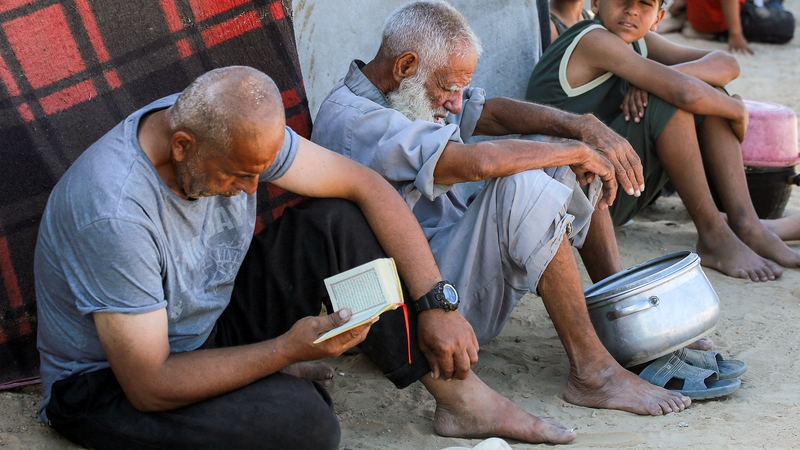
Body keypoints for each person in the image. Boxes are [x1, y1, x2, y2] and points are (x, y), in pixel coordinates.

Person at [33, 66, 575, 448]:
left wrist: (437, 303)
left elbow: (366, 185)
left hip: (206, 327)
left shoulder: (231, 133)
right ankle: (270, 376)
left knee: (337, 219)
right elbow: (149, 384)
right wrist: (281, 350)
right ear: (181, 147)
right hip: (109, 383)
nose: (251, 189)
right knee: (305, 427)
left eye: (261, 172)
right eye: (238, 176)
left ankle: (462, 400)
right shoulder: (114, 211)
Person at [312, 0, 693, 436]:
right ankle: (593, 373)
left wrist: (579, 128)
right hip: (427, 308)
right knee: (524, 185)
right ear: (406, 65)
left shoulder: (402, 89)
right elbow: (475, 163)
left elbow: (486, 112)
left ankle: (623, 321)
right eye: (449, 88)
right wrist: (577, 147)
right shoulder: (356, 120)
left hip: (448, 265)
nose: (456, 104)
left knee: (554, 151)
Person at [526, 0, 800, 282]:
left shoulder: (641, 40)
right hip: (570, 201)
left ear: (658, 17)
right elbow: (684, 95)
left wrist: (654, 80)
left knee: (707, 89)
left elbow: (727, 63)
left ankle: (747, 224)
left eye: (644, 4)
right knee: (670, 99)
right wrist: (736, 110)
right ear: (597, 2)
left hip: (612, 191)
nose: (632, 10)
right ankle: (713, 236)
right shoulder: (593, 39)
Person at [660, 0, 795, 55]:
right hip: (721, 18)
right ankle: (715, 34)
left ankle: (687, 16)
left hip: (699, 12)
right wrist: (735, 34)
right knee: (787, 24)